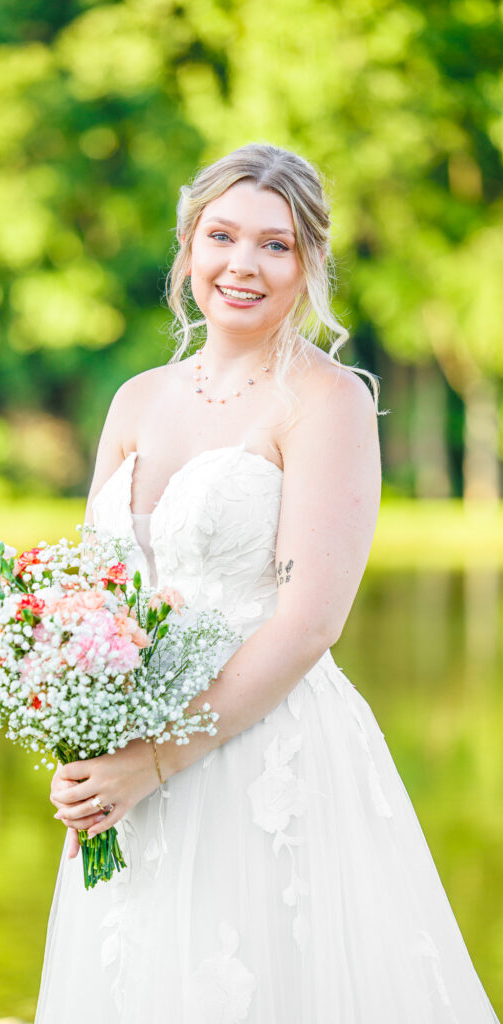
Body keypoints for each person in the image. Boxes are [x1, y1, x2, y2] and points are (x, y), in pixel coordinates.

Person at [34, 144, 499, 1023]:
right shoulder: (135, 398)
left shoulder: (325, 402)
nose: (243, 265)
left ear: (310, 263)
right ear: (186, 248)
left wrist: (155, 762)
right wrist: (81, 747)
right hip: (127, 773)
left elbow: (307, 623)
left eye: (275, 245)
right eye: (221, 236)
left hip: (264, 758)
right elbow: (89, 599)